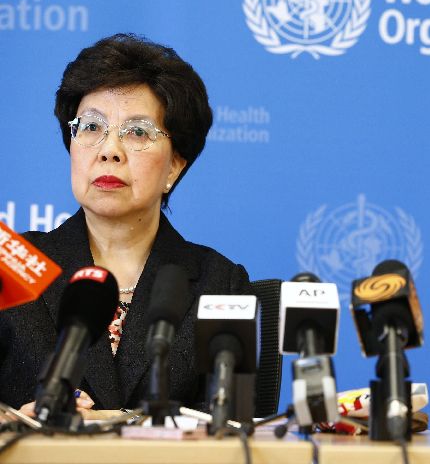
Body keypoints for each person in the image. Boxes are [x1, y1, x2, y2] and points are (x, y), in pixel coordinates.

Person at [0, 34, 252, 413]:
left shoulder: (220, 283)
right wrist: (17, 422)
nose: (109, 151)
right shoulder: (14, 264)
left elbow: (234, 424)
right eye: (90, 127)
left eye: (137, 132)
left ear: (175, 166)